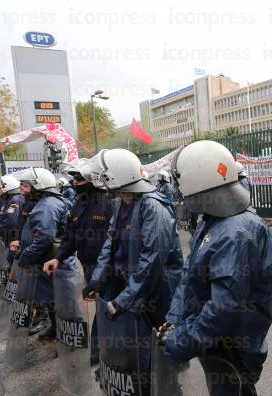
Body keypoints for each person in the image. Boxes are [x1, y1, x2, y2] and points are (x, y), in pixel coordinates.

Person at [158, 140, 272, 396]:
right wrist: (173, 321)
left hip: (232, 347)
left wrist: (181, 341)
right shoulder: (210, 221)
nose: (178, 190)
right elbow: (189, 277)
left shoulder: (235, 233)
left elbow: (223, 309)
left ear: (196, 181)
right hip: (212, 341)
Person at [81, 149, 183, 393]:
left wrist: (124, 300)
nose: (102, 184)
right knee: (137, 344)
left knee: (160, 346)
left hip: (157, 290)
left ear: (118, 178)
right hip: (133, 287)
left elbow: (152, 261)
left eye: (105, 178)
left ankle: (168, 387)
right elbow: (110, 242)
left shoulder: (153, 208)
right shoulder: (120, 203)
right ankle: (140, 382)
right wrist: (97, 280)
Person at [43, 165, 113, 364]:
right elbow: (70, 237)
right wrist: (58, 257)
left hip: (109, 267)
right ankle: (104, 351)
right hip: (89, 266)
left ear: (93, 180)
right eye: (73, 179)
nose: (75, 183)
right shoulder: (78, 203)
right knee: (103, 307)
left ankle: (100, 351)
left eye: (80, 179)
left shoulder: (109, 202)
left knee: (104, 307)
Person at [16, 167, 76, 339]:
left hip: (51, 262)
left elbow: (44, 239)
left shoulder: (47, 205)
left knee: (60, 300)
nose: (22, 190)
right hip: (48, 261)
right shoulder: (45, 202)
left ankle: (68, 341)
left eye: (25, 186)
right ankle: (57, 329)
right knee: (51, 299)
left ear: (38, 186)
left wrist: (25, 256)